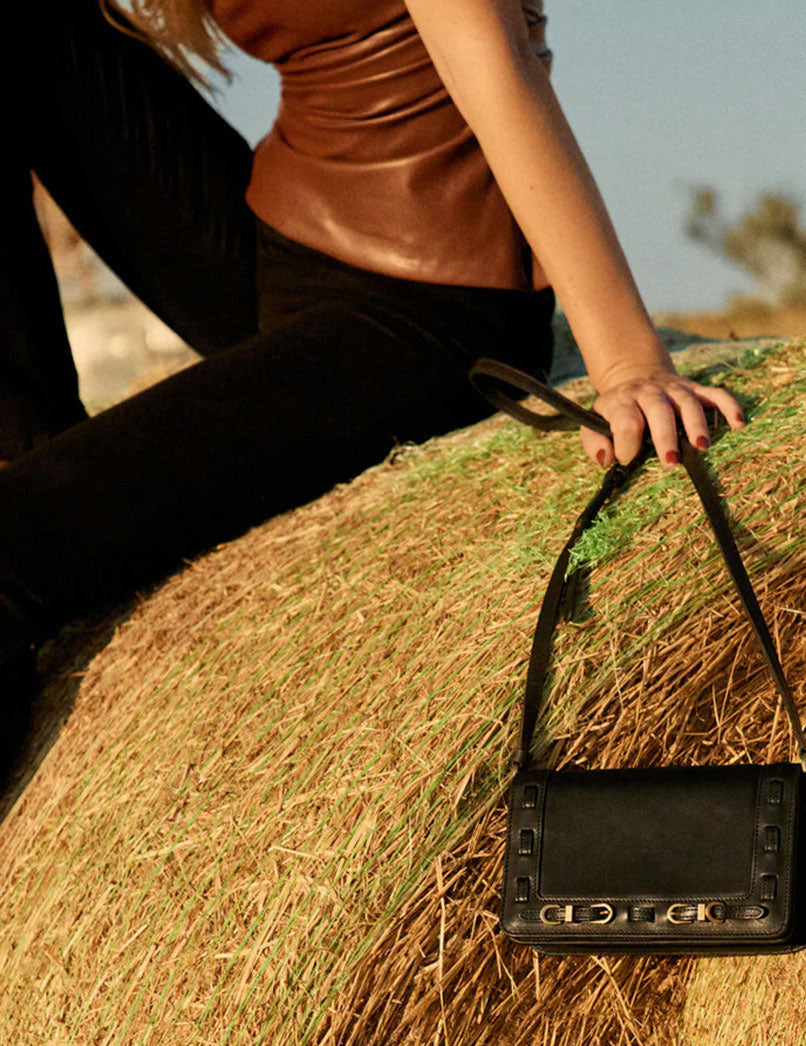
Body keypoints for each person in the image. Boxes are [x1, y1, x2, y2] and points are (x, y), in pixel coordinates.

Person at [0, 0, 747, 776]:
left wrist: (627, 361)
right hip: (278, 244)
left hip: (423, 305)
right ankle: (23, 449)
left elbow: (497, 63)